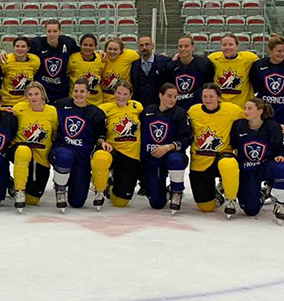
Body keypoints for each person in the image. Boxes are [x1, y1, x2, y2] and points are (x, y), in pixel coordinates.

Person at [51, 80, 112, 212]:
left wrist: (102, 142)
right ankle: (60, 190)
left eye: (82, 91)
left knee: (77, 202)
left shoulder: (95, 113)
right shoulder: (60, 105)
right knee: (65, 156)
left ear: (88, 93)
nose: (78, 94)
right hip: (62, 149)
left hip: (82, 157)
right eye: (76, 91)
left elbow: (100, 134)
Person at [228, 98, 284, 223]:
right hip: (247, 169)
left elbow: (282, 148)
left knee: (281, 167)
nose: (245, 111)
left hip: (265, 166)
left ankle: (280, 205)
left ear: (260, 111)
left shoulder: (273, 126)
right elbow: (232, 145)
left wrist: (282, 155)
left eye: (249, 108)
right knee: (251, 210)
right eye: (245, 108)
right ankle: (262, 194)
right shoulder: (238, 125)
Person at [188, 83, 245, 215]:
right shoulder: (193, 111)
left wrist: (277, 126)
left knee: (228, 163)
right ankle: (217, 195)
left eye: (211, 96)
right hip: (200, 161)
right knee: (206, 208)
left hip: (222, 154)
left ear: (219, 97)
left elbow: (252, 117)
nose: (208, 100)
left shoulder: (231, 110)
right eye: (205, 96)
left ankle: (231, 199)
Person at [141, 83, 191, 213]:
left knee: (175, 159)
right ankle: (165, 191)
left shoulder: (180, 114)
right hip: (152, 159)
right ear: (160, 95)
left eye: (175, 96)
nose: (172, 99)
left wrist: (168, 147)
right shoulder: (148, 111)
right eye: (169, 96)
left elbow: (185, 139)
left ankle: (177, 190)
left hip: (171, 155)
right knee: (157, 203)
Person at [11, 82, 59, 213]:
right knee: (23, 151)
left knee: (33, 199)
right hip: (20, 151)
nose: (33, 97)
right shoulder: (19, 108)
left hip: (41, 158)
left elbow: (55, 134)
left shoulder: (52, 111)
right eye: (30, 94)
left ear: (42, 95)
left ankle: (12, 184)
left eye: (36, 94)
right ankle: (18, 190)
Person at [99, 79, 143, 208]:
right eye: (118, 93)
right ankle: (99, 187)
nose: (121, 97)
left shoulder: (137, 107)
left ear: (130, 95)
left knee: (120, 202)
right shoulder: (104, 108)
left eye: (125, 94)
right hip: (112, 151)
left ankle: (111, 185)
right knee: (100, 158)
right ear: (114, 93)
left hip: (131, 155)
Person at [248, 34, 284, 133]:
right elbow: (255, 86)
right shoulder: (259, 65)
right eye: (279, 51)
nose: (282, 54)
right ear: (270, 50)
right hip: (266, 115)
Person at [28, 20, 79, 103]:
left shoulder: (68, 43)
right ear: (45, 32)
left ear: (60, 32)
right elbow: (21, 52)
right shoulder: (36, 44)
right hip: (42, 92)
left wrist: (98, 52)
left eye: (55, 31)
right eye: (49, 31)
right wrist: (3, 53)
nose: (52, 34)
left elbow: (83, 52)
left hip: (62, 92)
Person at [165, 34, 214, 110]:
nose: (183, 49)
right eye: (180, 46)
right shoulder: (170, 67)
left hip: (198, 109)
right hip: (178, 109)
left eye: (186, 46)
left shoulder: (204, 64)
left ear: (192, 47)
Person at [209, 34, 258, 108]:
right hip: (221, 107)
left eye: (231, 44)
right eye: (224, 45)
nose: (227, 47)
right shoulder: (213, 58)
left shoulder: (249, 58)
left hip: (242, 107)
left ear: (237, 46)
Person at [129, 36, 170, 107]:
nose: (144, 47)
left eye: (147, 44)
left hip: (159, 106)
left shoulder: (164, 61)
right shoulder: (134, 65)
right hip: (140, 106)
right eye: (141, 45)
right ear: (138, 48)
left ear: (152, 46)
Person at [0, 36, 40, 106]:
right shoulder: (6, 60)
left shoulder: (35, 61)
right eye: (17, 46)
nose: (20, 49)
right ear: (13, 47)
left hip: (26, 103)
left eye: (23, 46)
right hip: (7, 103)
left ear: (28, 49)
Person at [66, 33, 106, 104]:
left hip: (96, 101)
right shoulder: (72, 58)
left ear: (95, 46)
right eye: (85, 45)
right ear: (80, 45)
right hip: (76, 100)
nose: (87, 47)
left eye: (91, 45)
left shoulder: (101, 59)